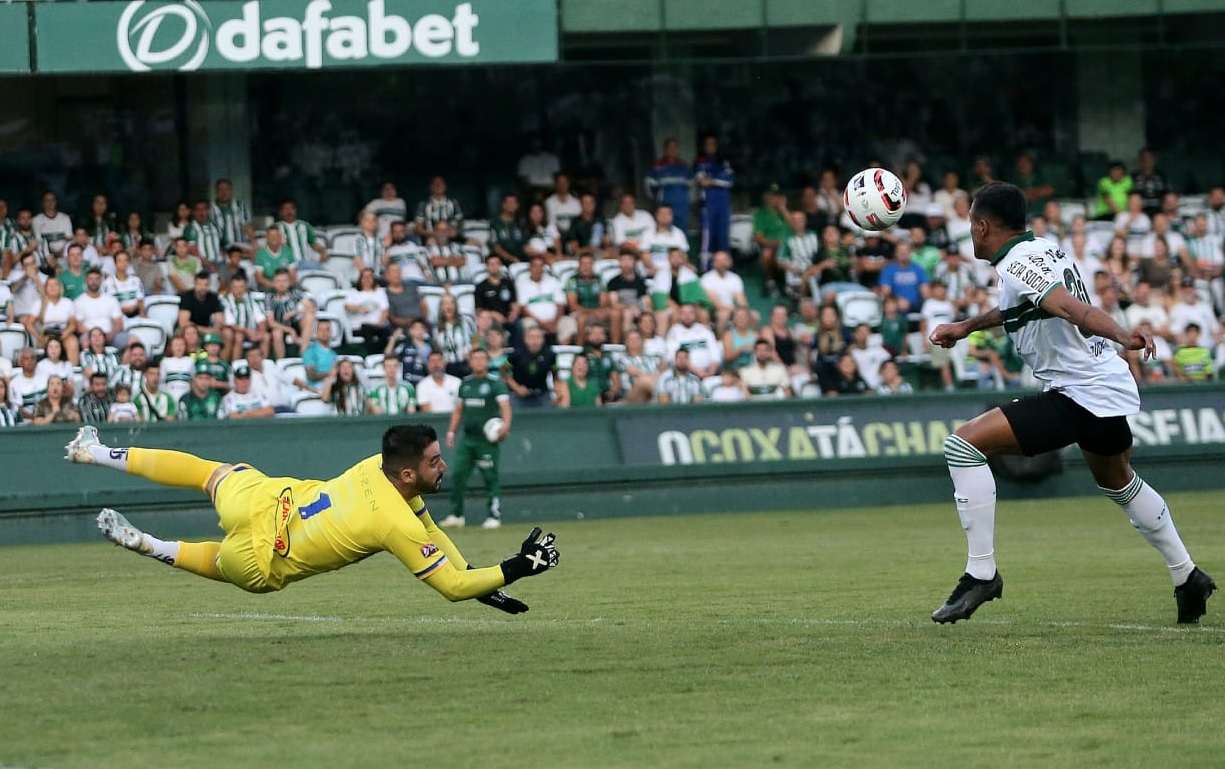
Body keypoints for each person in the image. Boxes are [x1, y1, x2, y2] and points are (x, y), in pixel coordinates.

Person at [927, 181, 1215, 625]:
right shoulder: (1041, 249)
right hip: (1104, 388)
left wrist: (1123, 333)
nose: (970, 233)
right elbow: (1022, 309)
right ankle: (1187, 575)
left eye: (970, 225)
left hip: (1078, 393)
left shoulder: (1020, 264)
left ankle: (981, 573)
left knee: (962, 447)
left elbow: (1070, 308)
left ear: (983, 227)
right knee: (1120, 482)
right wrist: (966, 326)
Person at [67, 423, 559, 609]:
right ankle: (150, 546)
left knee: (206, 472)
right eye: (433, 461)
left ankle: (96, 452)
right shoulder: (394, 524)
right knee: (220, 561)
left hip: (266, 500)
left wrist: (480, 582)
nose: (443, 465)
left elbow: (432, 529)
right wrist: (517, 566)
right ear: (407, 474)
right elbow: (449, 586)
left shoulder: (375, 466)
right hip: (264, 560)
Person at [439, 348, 511, 530]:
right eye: (475, 358)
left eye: (482, 358)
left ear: (487, 361)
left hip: (487, 441)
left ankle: (494, 515)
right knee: (458, 475)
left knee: (490, 478)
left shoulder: (496, 384)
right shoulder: (466, 384)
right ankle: (457, 515)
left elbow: (505, 408)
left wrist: (505, 426)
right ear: (470, 362)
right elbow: (458, 410)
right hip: (467, 439)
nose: (478, 362)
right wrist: (451, 432)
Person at [693, 134, 734, 258]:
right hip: (708, 203)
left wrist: (712, 181)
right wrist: (717, 181)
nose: (710, 147)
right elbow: (701, 181)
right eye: (707, 144)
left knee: (723, 235)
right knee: (708, 235)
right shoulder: (700, 162)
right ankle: (706, 268)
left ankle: (724, 265)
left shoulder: (724, 162)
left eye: (713, 144)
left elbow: (729, 181)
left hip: (724, 203)